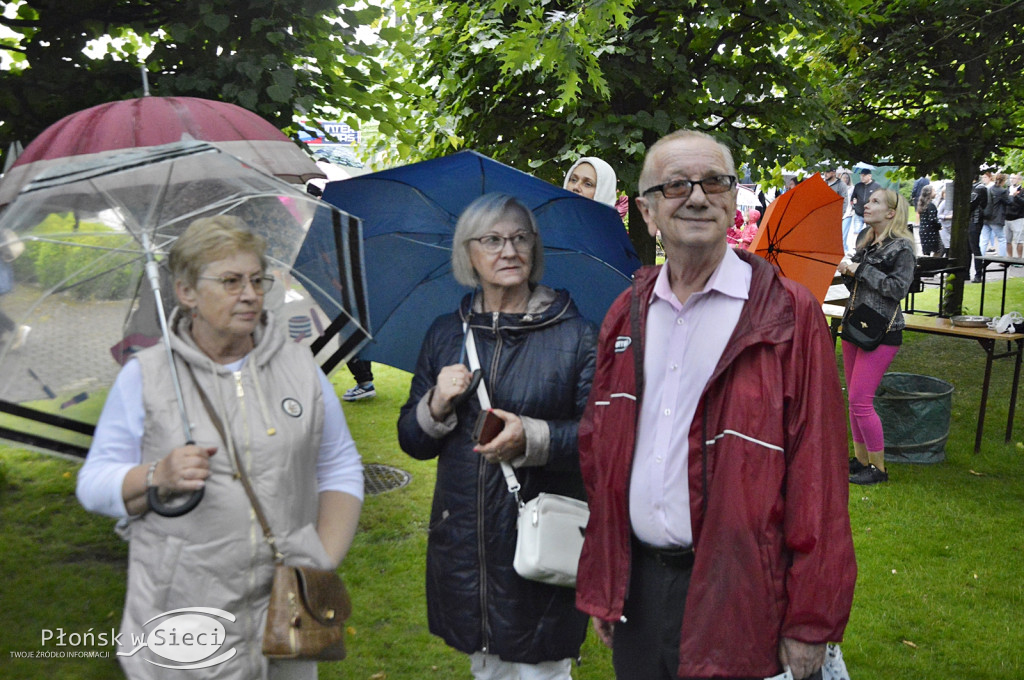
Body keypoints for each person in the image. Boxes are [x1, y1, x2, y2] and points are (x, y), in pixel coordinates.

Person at [575, 130, 856, 680]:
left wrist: (810, 622)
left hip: (741, 590)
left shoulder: (786, 314)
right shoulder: (624, 315)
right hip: (638, 589)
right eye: (676, 184)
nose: (698, 196)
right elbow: (599, 452)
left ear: (732, 200)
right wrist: (605, 579)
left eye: (715, 182)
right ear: (648, 210)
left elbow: (819, 474)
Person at [77, 216, 364, 680]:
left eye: (257, 280)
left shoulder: (298, 367)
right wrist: (157, 475)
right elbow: (93, 484)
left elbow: (339, 465)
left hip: (286, 610)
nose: (250, 294)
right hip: (187, 612)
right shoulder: (147, 375)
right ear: (186, 292)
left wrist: (321, 560)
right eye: (231, 281)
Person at [398, 193, 595, 680]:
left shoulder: (576, 336)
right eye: (492, 239)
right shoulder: (445, 334)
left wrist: (532, 438)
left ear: (534, 248)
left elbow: (604, 441)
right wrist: (437, 403)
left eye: (520, 238)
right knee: (485, 667)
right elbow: (413, 441)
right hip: (465, 547)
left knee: (543, 670)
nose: (509, 250)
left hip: (540, 544)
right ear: (469, 254)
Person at [838, 189, 916, 485]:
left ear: (891, 213)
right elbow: (860, 289)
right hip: (855, 325)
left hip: (883, 331)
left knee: (860, 401)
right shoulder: (865, 241)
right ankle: (861, 460)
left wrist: (861, 269)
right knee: (854, 401)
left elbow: (897, 290)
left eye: (875, 202)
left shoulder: (902, 249)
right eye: (867, 201)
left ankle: (879, 469)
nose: (866, 205)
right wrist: (848, 271)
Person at [848, 168, 881, 254]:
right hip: (859, 213)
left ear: (870, 176)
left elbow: (880, 200)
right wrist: (853, 203)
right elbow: (853, 197)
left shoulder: (876, 186)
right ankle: (856, 249)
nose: (862, 178)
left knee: (870, 231)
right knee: (856, 232)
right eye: (861, 176)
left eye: (864, 176)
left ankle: (869, 249)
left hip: (871, 214)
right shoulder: (858, 186)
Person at [981, 173, 1009, 257]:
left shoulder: (989, 189)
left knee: (984, 240)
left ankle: (979, 259)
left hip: (986, 218)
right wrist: (1011, 195)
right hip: (996, 218)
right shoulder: (1002, 191)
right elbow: (1008, 202)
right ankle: (1002, 259)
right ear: (1003, 181)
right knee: (1002, 239)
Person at [970, 174, 989, 282]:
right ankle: (966, 273)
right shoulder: (974, 188)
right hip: (972, 220)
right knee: (969, 247)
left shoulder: (979, 188)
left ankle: (978, 274)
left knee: (974, 247)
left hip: (975, 220)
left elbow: (972, 203)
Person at [917, 185, 943, 256]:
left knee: (926, 253)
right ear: (929, 193)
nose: (935, 192)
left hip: (923, 231)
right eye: (934, 190)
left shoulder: (922, 204)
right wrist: (939, 226)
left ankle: (927, 265)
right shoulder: (931, 205)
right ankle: (933, 265)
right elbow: (933, 219)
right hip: (931, 232)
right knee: (938, 250)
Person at [1005, 180, 1024, 261]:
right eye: (1011, 177)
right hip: (1006, 218)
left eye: (1014, 178)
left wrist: (1016, 196)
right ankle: (1010, 258)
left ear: (1019, 179)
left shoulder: (1022, 190)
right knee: (1007, 240)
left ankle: (1019, 259)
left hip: (1018, 218)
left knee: (1019, 240)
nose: (1012, 179)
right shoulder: (1007, 189)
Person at [840, 170, 855, 248]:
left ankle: (844, 248)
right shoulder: (838, 188)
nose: (845, 179)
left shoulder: (852, 188)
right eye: (843, 178)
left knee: (844, 232)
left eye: (847, 178)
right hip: (839, 212)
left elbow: (854, 198)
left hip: (848, 212)